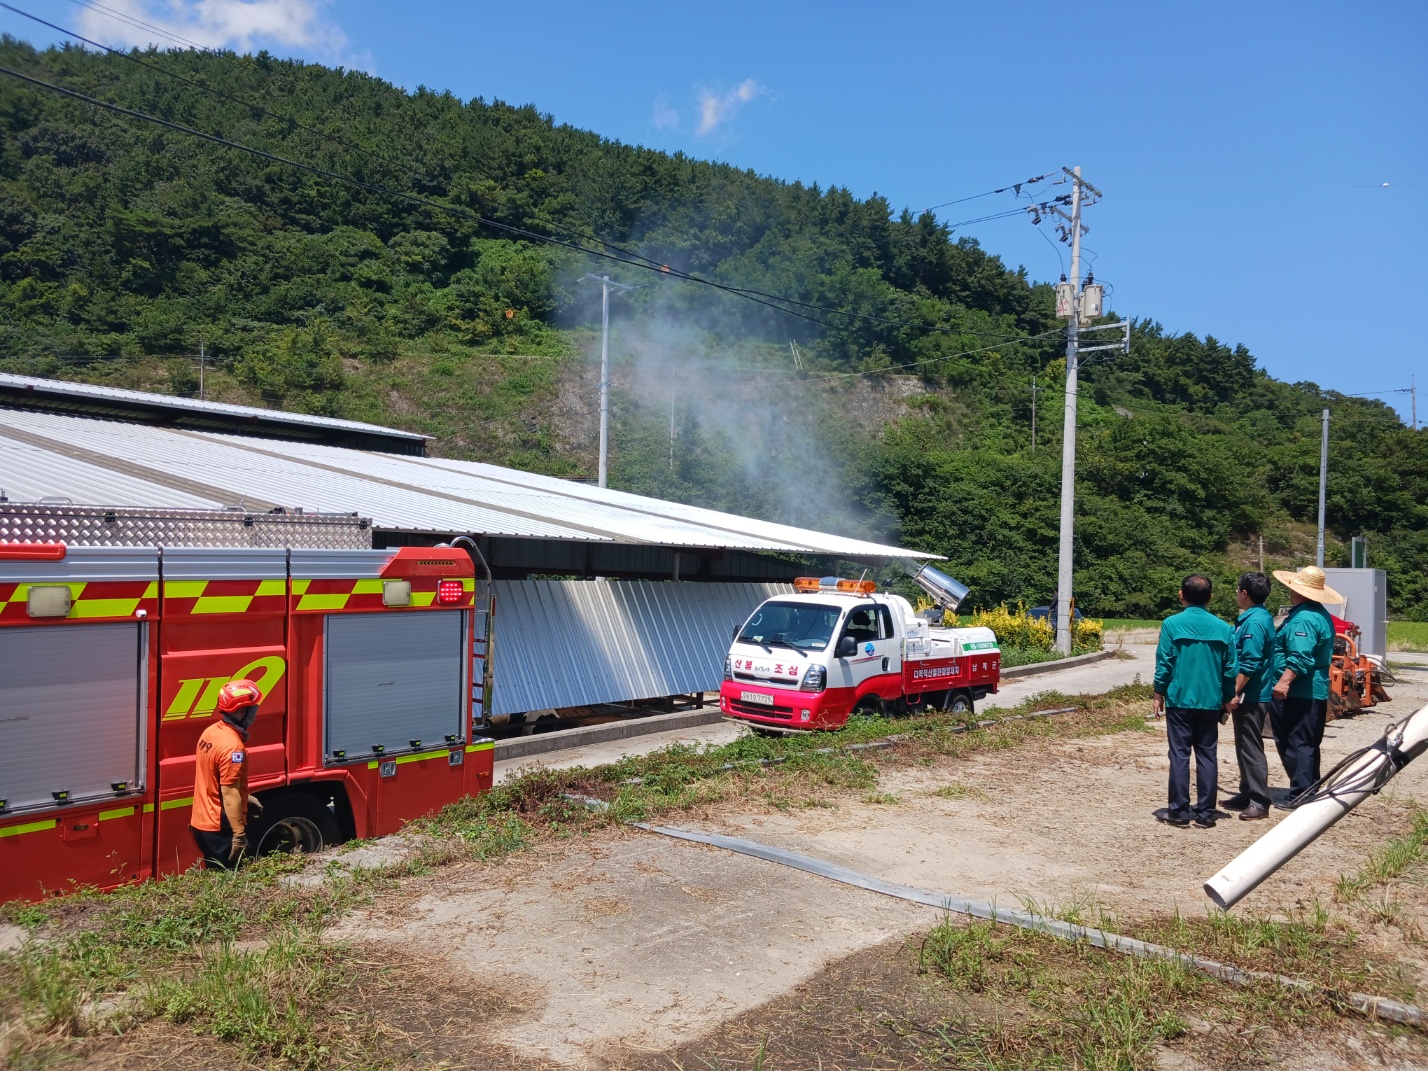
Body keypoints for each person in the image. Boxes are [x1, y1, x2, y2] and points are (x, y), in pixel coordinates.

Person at [1153, 574, 1237, 828]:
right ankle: (1205, 812)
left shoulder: (1172, 624)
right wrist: (1227, 697)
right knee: (1207, 754)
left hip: (1180, 699)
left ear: (1181, 595)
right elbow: (1230, 668)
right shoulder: (1224, 628)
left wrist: (1159, 692)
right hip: (1211, 700)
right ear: (1210, 598)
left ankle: (1178, 812)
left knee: (1179, 754)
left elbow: (1164, 662)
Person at [1269, 566, 1341, 807]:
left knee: (1295, 741)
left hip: (1300, 690)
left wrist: (1284, 681)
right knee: (1306, 742)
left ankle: (1300, 792)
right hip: (1311, 689)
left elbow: (1301, 656)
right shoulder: (1316, 614)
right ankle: (1309, 789)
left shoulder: (1304, 619)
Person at [190, 678, 263, 869]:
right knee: (231, 881)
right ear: (241, 711)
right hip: (220, 827)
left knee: (216, 879)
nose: (255, 714)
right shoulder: (234, 748)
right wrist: (238, 834)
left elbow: (214, 776)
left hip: (201, 822)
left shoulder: (211, 732)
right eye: (253, 709)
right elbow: (229, 792)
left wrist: (245, 798)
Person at [1223, 572, 1275, 821]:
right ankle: (1247, 792)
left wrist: (1234, 691)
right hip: (1250, 693)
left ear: (1245, 593)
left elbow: (1250, 662)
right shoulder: (1254, 618)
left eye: (1237, 590)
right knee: (1244, 744)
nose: (1236, 594)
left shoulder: (1254, 623)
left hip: (1252, 695)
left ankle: (1259, 800)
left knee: (1251, 746)